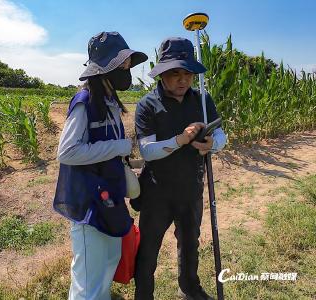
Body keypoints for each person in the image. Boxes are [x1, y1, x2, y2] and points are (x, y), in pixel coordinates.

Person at [54, 31, 147, 300]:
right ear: (103, 68)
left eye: (127, 63)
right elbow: (67, 152)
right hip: (89, 204)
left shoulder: (110, 103)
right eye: (121, 64)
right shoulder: (84, 103)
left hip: (109, 197)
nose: (127, 69)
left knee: (106, 266)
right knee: (88, 280)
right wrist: (116, 148)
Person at [133, 37, 227, 300]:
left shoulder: (202, 100)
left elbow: (222, 135)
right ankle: (143, 295)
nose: (182, 79)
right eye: (175, 73)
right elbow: (147, 150)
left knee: (189, 245)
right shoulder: (147, 105)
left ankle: (190, 288)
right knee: (149, 249)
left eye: (187, 73)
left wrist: (212, 144)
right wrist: (180, 140)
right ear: (162, 73)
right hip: (156, 191)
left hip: (191, 188)